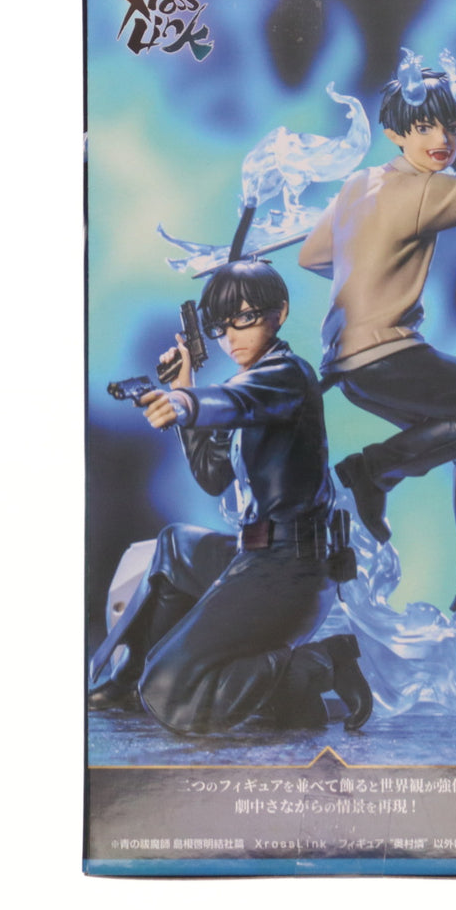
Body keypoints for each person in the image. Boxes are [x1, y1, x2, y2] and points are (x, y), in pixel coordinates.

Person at [298, 51, 456, 654]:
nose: (442, 140)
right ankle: (370, 472)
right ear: (395, 131)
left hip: (347, 363)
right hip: (386, 356)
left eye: (451, 126)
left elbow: (313, 254)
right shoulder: (427, 191)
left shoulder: (360, 186)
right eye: (425, 126)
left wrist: (370, 251)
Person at [88, 259, 372, 733]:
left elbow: (237, 398)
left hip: (293, 572)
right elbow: (212, 476)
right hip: (256, 556)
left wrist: (183, 404)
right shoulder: (251, 386)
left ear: (279, 313)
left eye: (245, 318)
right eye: (221, 326)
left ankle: (319, 661)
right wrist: (183, 385)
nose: (231, 337)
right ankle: (129, 678)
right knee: (175, 544)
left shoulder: (287, 376)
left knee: (170, 694)